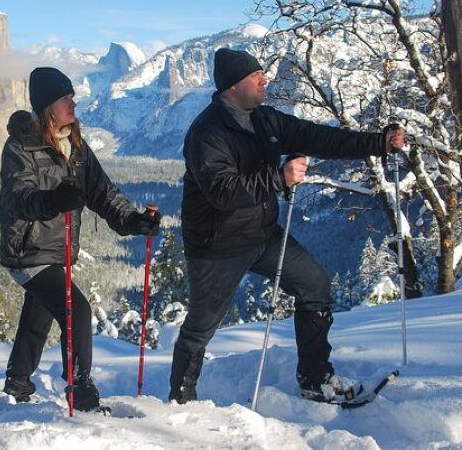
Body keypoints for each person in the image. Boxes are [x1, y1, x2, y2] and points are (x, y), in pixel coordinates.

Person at [169, 48, 405, 404]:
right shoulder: (207, 132)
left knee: (315, 285)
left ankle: (315, 379)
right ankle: (181, 401)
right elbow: (222, 192)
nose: (265, 80)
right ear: (233, 86)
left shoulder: (265, 119)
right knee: (202, 326)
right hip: (217, 244)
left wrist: (378, 143)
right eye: (256, 77)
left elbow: (320, 138)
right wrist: (279, 179)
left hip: (262, 233)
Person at [0, 67, 161, 412]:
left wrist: (133, 221)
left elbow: (103, 193)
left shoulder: (75, 145)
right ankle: (81, 392)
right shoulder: (20, 146)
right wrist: (52, 201)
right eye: (65, 98)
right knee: (77, 310)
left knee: (40, 312)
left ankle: (17, 383)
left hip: (57, 251)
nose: (73, 103)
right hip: (28, 250)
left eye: (72, 96)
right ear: (46, 106)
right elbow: (17, 197)